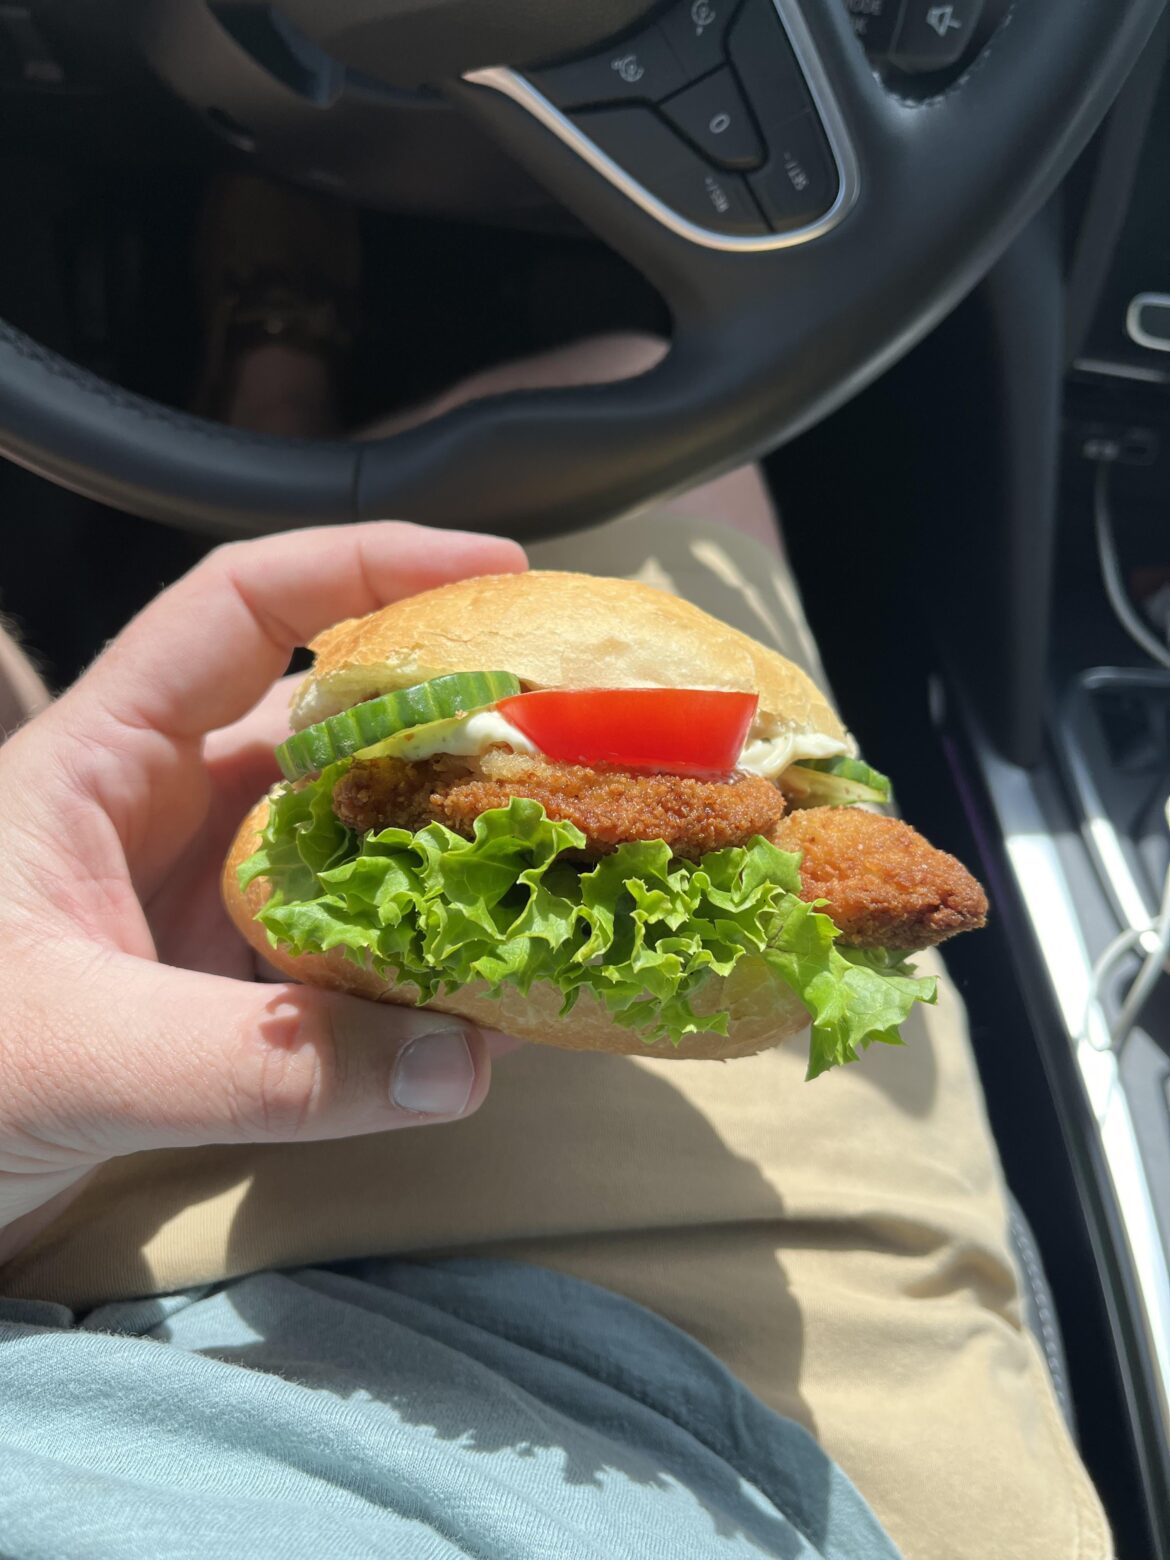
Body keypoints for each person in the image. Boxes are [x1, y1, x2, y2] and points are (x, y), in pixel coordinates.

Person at [0, 178, 1109, 1560]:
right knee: (622, 382)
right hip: (806, 1460)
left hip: (105, 1317)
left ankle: (268, 395)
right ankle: (279, 395)